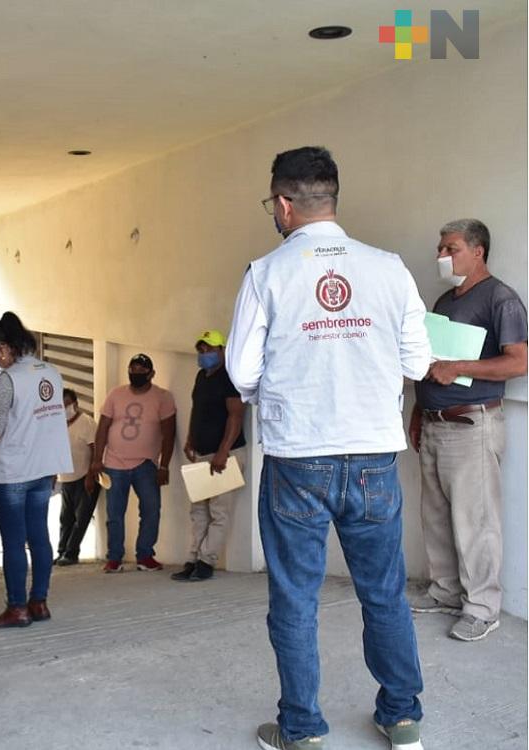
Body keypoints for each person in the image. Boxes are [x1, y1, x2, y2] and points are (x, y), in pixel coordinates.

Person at [226, 146, 430, 750]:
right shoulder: (389, 268)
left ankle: (302, 730)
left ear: (284, 203)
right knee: (384, 593)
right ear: (331, 198)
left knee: (295, 599)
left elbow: (241, 371)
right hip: (373, 460)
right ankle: (402, 719)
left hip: (297, 459)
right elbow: (418, 363)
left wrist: (288, 393)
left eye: (272, 205)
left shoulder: (266, 273)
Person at [408, 219, 528, 642]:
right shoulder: (445, 301)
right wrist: (420, 410)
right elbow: (432, 361)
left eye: (451, 248)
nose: (442, 256)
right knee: (436, 515)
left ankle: (482, 608)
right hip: (436, 422)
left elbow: (519, 362)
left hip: (472, 424)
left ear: (478, 251)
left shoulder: (501, 299)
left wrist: (459, 367)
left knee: (476, 522)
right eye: (440, 249)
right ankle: (445, 591)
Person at [0, 312, 73, 628]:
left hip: (11, 472)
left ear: (3, 348)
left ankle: (17, 608)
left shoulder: (8, 380)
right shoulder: (51, 372)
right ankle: (39, 602)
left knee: (13, 542)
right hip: (43, 470)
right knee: (39, 536)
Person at [90, 354, 177, 573]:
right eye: (132, 369)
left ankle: (145, 555)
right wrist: (97, 460)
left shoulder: (163, 397)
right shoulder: (115, 394)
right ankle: (114, 558)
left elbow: (169, 433)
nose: (136, 373)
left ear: (151, 373)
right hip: (114, 463)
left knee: (151, 510)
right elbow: (102, 428)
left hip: (146, 464)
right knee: (114, 514)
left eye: (141, 370)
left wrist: (164, 465)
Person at [171, 329, 246, 582]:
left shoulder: (230, 377)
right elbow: (197, 409)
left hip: (225, 455)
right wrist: (190, 439)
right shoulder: (201, 376)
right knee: (198, 510)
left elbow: (236, 416)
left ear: (222, 350)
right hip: (203, 454)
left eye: (210, 349)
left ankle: (207, 561)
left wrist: (223, 452)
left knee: (218, 511)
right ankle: (193, 559)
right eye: (201, 349)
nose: (204, 354)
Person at [54, 388, 100, 566]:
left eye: (67, 405)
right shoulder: (57, 424)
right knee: (66, 518)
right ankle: (62, 551)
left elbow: (95, 449)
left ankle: (71, 553)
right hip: (66, 478)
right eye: (61, 406)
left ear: (75, 404)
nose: (64, 409)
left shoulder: (86, 422)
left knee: (81, 518)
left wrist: (91, 476)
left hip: (85, 477)